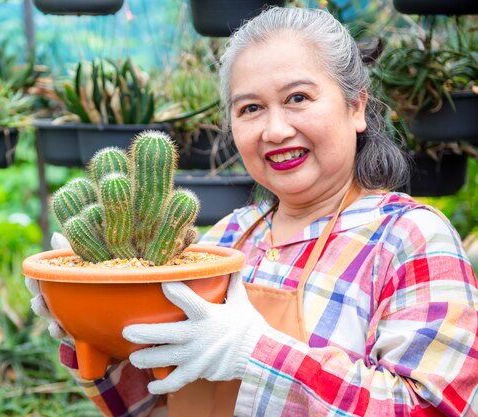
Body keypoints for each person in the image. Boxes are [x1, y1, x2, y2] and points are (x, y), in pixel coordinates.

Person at [28, 6, 478, 416]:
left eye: (298, 98)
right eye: (251, 108)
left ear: (356, 106)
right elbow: (153, 403)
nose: (276, 129)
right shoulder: (225, 239)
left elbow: (431, 408)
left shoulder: (410, 238)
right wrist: (91, 329)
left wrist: (258, 354)